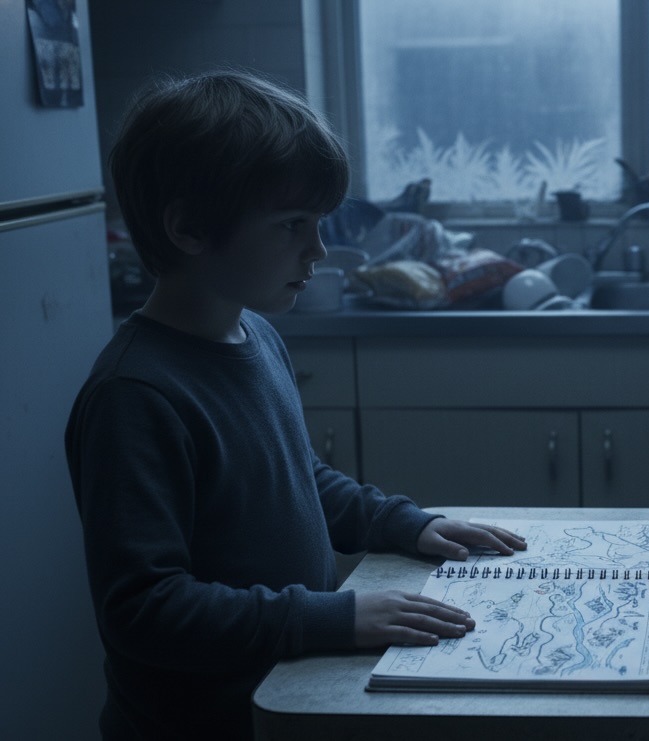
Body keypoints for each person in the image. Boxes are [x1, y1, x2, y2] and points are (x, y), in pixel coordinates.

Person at [64, 70, 527, 740]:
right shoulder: (134, 396)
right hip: (199, 726)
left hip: (283, 697)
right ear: (189, 227)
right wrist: (331, 617)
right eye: (292, 225)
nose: (317, 249)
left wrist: (404, 524)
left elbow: (299, 477)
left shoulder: (257, 335)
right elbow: (144, 608)